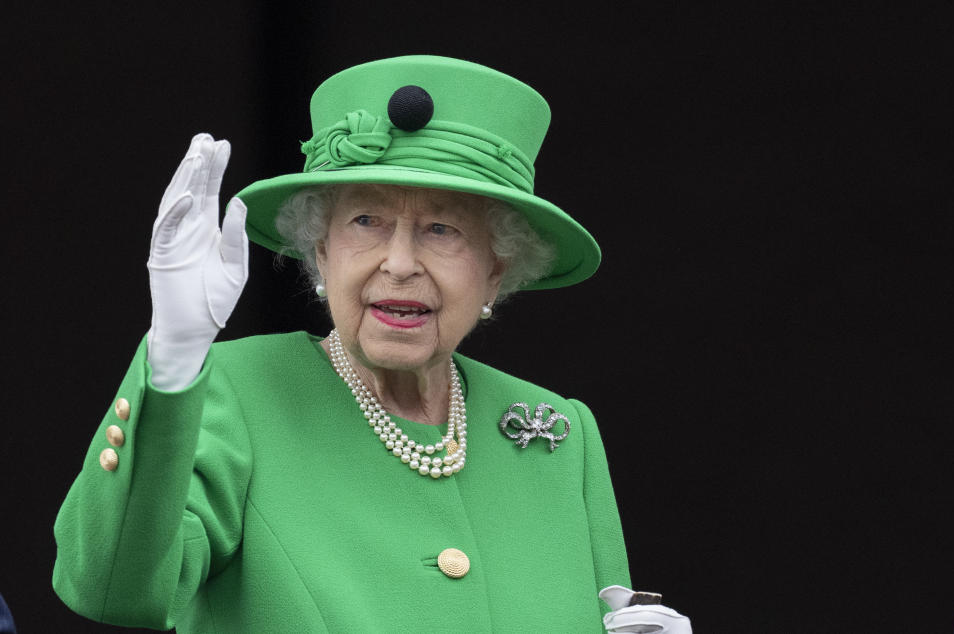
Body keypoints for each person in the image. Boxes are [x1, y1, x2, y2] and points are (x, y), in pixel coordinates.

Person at [52, 55, 692, 633]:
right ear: (321, 249)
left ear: (497, 268)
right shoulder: (231, 391)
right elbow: (114, 590)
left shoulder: (558, 434)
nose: (399, 262)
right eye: (367, 221)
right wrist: (172, 355)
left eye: (441, 229)